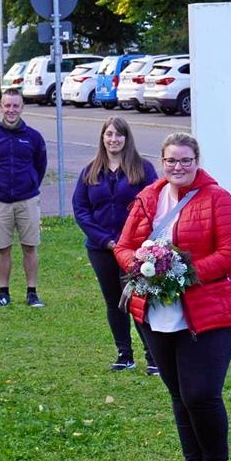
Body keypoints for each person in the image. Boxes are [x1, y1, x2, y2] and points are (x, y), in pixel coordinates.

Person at [115, 132, 231, 461]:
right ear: (162, 161)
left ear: (197, 161)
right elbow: (124, 246)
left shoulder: (217, 199)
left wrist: (184, 272)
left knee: (201, 392)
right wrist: (142, 266)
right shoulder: (148, 198)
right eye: (172, 160)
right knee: (178, 393)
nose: (178, 167)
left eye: (186, 160)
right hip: (157, 312)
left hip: (209, 311)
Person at [73, 117, 159, 373]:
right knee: (115, 302)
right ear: (102, 137)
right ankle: (124, 354)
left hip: (134, 249)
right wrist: (105, 240)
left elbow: (152, 206)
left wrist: (131, 242)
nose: (113, 139)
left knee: (138, 300)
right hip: (101, 248)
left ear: (126, 138)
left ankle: (154, 357)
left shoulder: (142, 169)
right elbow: (81, 209)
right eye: (109, 134)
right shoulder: (90, 171)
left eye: (119, 135)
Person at [0, 88, 48, 308]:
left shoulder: (34, 138)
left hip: (27, 200)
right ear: (1, 107)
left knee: (30, 246)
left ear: (22, 108)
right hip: (0, 201)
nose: (11, 110)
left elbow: (40, 166)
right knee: (2, 248)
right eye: (7, 105)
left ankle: (32, 292)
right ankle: (3, 293)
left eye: (15, 105)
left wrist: (29, 183)